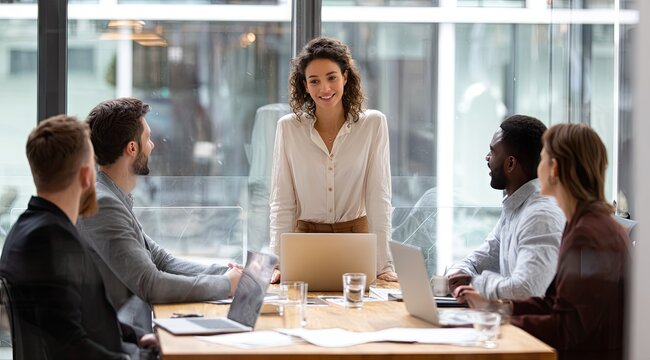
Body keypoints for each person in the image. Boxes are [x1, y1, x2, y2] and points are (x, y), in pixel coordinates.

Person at [455, 123, 630, 360]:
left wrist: (499, 320)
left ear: (554, 168)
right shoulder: (582, 223)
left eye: (543, 158)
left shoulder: (588, 233)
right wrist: (498, 308)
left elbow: (568, 328)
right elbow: (555, 305)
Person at [76, 97, 242, 335]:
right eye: (148, 138)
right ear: (132, 148)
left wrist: (226, 273)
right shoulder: (104, 204)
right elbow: (151, 284)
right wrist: (226, 285)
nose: (152, 146)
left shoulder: (112, 196)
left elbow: (162, 261)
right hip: (119, 342)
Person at [0, 115, 157, 359]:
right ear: (86, 176)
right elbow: (68, 345)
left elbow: (82, 320)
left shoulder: (31, 227)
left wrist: (136, 337)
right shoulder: (51, 239)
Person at [269, 37, 396, 281]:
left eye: (331, 77)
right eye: (314, 81)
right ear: (305, 86)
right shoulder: (288, 128)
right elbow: (282, 201)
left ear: (345, 77)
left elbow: (378, 198)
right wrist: (277, 263)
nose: (324, 89)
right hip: (303, 244)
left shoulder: (373, 124)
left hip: (357, 244)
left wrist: (384, 264)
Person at [446, 115, 565, 300]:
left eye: (492, 152)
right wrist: (456, 276)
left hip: (525, 328)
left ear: (510, 164)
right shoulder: (515, 207)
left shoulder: (540, 216)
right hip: (509, 319)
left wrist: (473, 283)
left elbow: (526, 290)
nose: (487, 158)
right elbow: (479, 261)